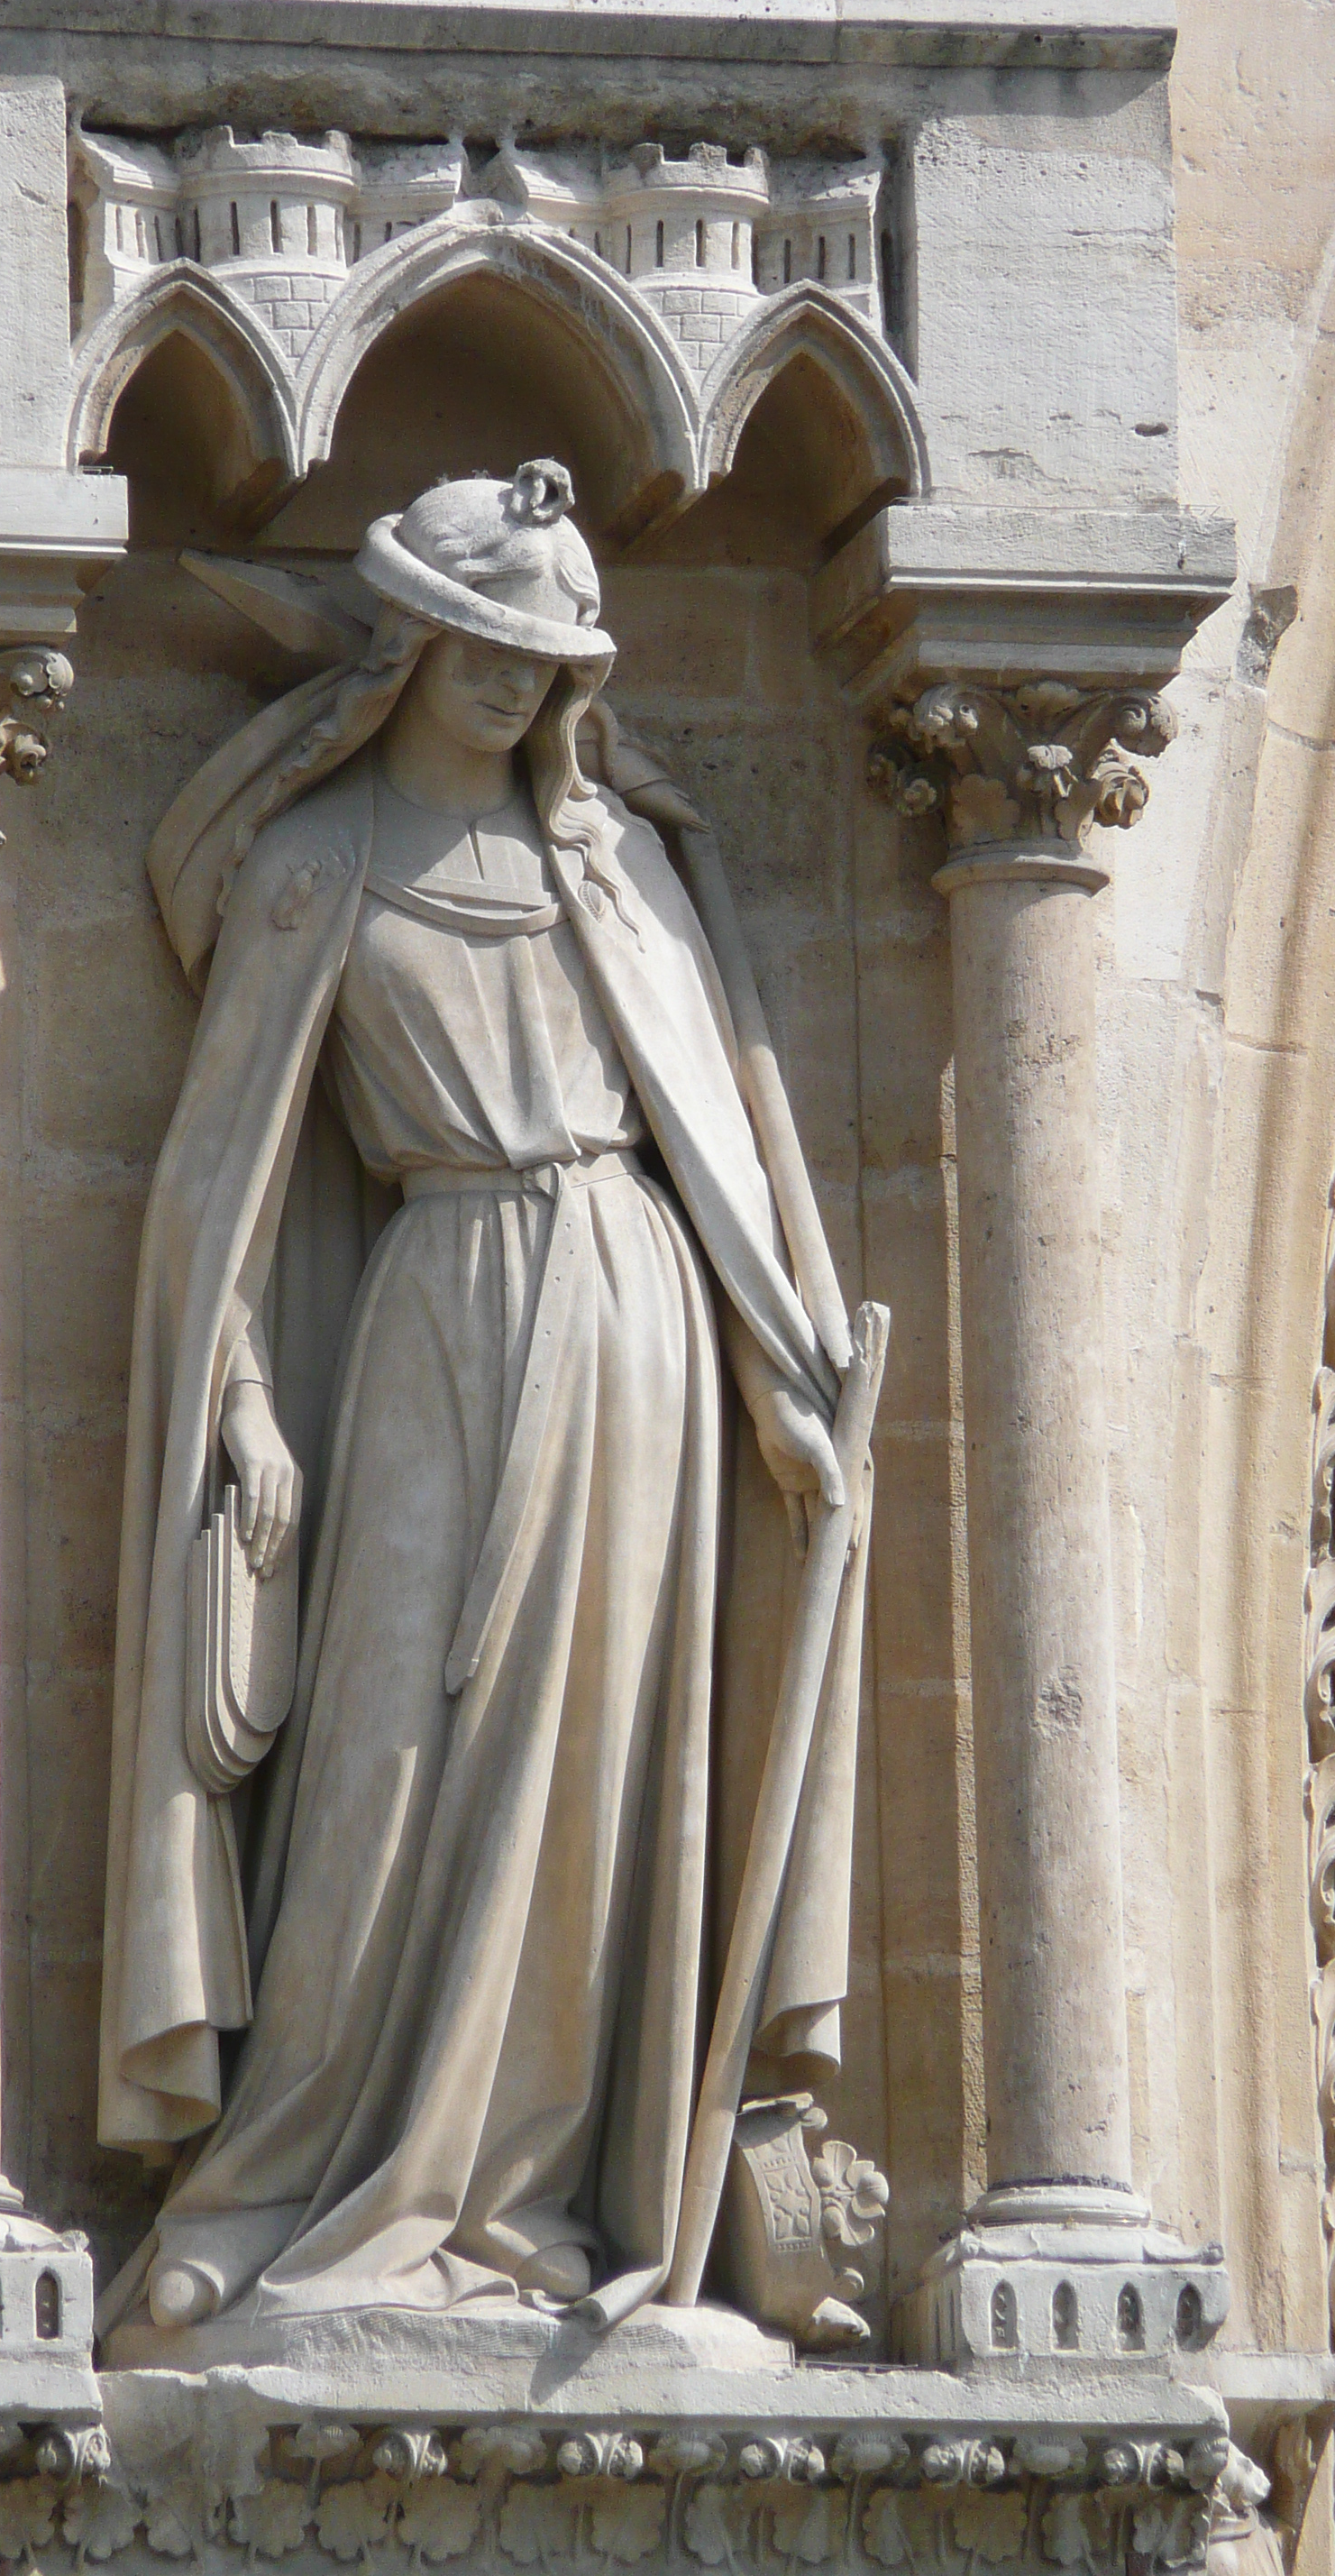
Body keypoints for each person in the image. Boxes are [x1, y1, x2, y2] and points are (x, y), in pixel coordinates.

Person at [97, 461, 861, 2339]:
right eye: (498, 644)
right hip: (437, 1308)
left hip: (634, 1319)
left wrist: (783, 1370)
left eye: (555, 654)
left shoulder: (620, 866)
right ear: (420, 639)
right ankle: (287, 2167)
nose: (526, 683)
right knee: (380, 1757)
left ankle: (528, 2205)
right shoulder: (317, 864)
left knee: (596, 1772)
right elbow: (223, 1188)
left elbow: (721, 1141)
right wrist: (248, 1405)